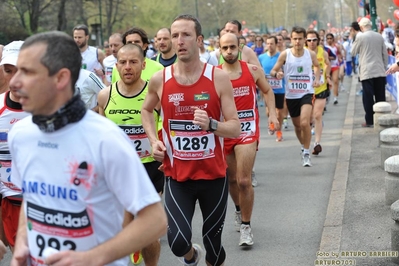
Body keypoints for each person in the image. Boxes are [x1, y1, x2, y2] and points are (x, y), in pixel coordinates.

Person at [8, 31, 166, 266]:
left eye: (28, 72)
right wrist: (22, 242)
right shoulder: (20, 134)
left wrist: (92, 258)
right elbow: (31, 199)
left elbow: (155, 221)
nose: (14, 82)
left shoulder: (106, 138)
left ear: (61, 78)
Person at [141, 14, 240, 266]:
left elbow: (236, 128)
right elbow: (146, 110)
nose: (179, 41)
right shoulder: (160, 79)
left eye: (185, 35)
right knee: (176, 242)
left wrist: (212, 125)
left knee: (214, 246)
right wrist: (154, 141)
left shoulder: (217, 78)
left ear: (199, 40)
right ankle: (191, 256)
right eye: (175, 35)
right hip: (177, 176)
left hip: (214, 176)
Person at [98, 43, 164, 266]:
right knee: (123, 227)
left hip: (149, 167)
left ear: (143, 65)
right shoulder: (105, 96)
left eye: (133, 62)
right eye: (123, 62)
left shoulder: (155, 94)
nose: (128, 67)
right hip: (119, 169)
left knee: (146, 229)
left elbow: (168, 127)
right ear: (116, 65)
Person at [219, 32, 278, 247]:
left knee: (244, 180)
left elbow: (268, 90)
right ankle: (237, 209)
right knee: (231, 180)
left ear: (239, 47)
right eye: (224, 48)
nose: (229, 52)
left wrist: (272, 114)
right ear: (219, 50)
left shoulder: (252, 70)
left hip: (247, 132)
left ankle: (246, 226)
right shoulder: (214, 75)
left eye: (232, 47)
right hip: (225, 132)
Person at [271, 26, 320, 167]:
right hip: (291, 95)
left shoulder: (310, 54)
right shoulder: (285, 54)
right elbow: (274, 70)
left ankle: (306, 152)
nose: (297, 41)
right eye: (295, 39)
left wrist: (316, 78)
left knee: (305, 123)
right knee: (297, 127)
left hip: (306, 92)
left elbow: (316, 66)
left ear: (305, 39)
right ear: (291, 39)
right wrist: (278, 74)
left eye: (300, 38)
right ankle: (304, 146)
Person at [0, 41, 30, 254]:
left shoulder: (52, 109)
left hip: (47, 205)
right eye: (8, 71)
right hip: (10, 202)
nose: (14, 78)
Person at [351, 17, 388, 127]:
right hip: (379, 70)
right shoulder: (379, 36)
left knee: (368, 97)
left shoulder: (360, 37)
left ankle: (370, 120)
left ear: (361, 27)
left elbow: (353, 52)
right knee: (380, 96)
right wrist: (384, 66)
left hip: (367, 72)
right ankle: (382, 118)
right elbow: (385, 54)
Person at [305, 30, 331, 155]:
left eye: (314, 40)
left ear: (318, 40)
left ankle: (317, 143)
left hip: (321, 87)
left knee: (317, 115)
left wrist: (327, 75)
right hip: (306, 89)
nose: (312, 42)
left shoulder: (323, 52)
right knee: (308, 119)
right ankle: (306, 143)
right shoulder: (302, 53)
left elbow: (327, 64)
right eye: (309, 40)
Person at [259, 36, 285, 142]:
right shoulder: (261, 57)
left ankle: (279, 132)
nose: (269, 46)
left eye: (271, 44)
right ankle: (271, 122)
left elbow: (285, 70)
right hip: (266, 88)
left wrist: (280, 73)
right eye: (268, 43)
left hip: (279, 88)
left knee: (279, 113)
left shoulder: (281, 56)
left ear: (276, 44)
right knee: (269, 111)